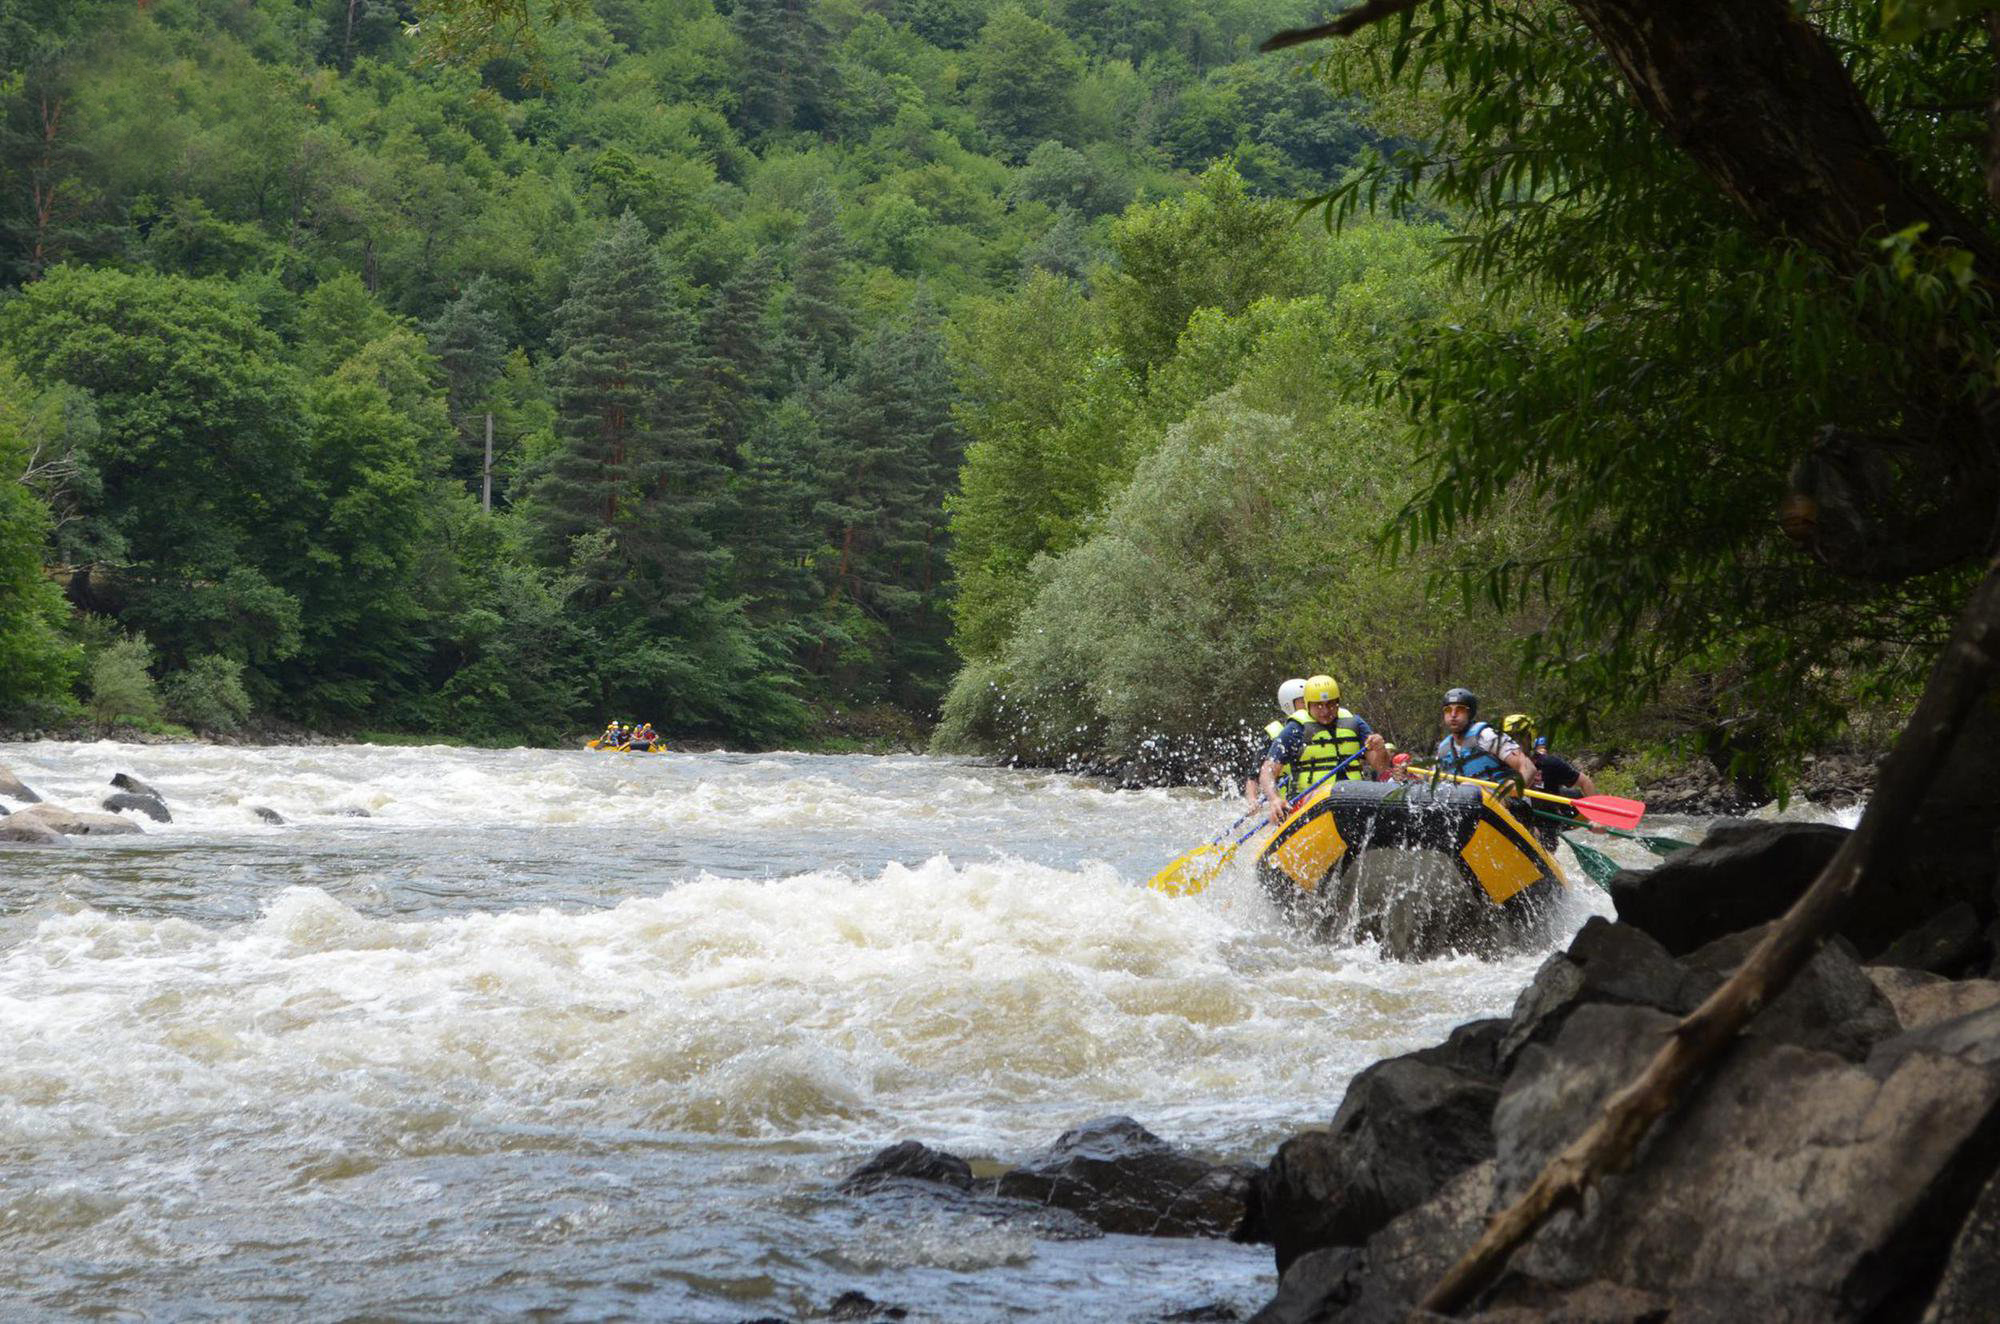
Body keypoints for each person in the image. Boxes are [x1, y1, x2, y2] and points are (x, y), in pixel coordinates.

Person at [1254, 674, 1391, 823]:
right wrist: (1274, 799)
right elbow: (1267, 772)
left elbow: (1381, 766)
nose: (1325, 711)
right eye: (1318, 705)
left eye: (1330, 704)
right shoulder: (1295, 729)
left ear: (1338, 703)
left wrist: (1381, 749)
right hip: (1310, 801)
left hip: (1353, 796)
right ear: (1308, 704)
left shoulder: (1356, 723)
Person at [1431, 687, 1538, 789]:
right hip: (1466, 804)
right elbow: (1433, 782)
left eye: (1460, 709)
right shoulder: (1443, 749)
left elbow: (1529, 768)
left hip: (1506, 803)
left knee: (1469, 786)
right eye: (1448, 710)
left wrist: (1512, 790)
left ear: (1470, 713)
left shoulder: (1488, 736)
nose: (1453, 715)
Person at [1244, 678, 1308, 810]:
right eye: (1303, 701)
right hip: (1289, 802)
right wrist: (1253, 800)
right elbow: (1254, 776)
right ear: (1289, 705)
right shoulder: (1275, 733)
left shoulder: (1322, 727)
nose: (1308, 704)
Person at [1501, 713, 1597, 796]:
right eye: (1509, 738)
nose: (1514, 743)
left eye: (1520, 737)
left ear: (1531, 737)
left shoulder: (1548, 763)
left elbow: (1585, 782)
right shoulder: (1500, 763)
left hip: (1553, 813)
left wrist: (1595, 815)